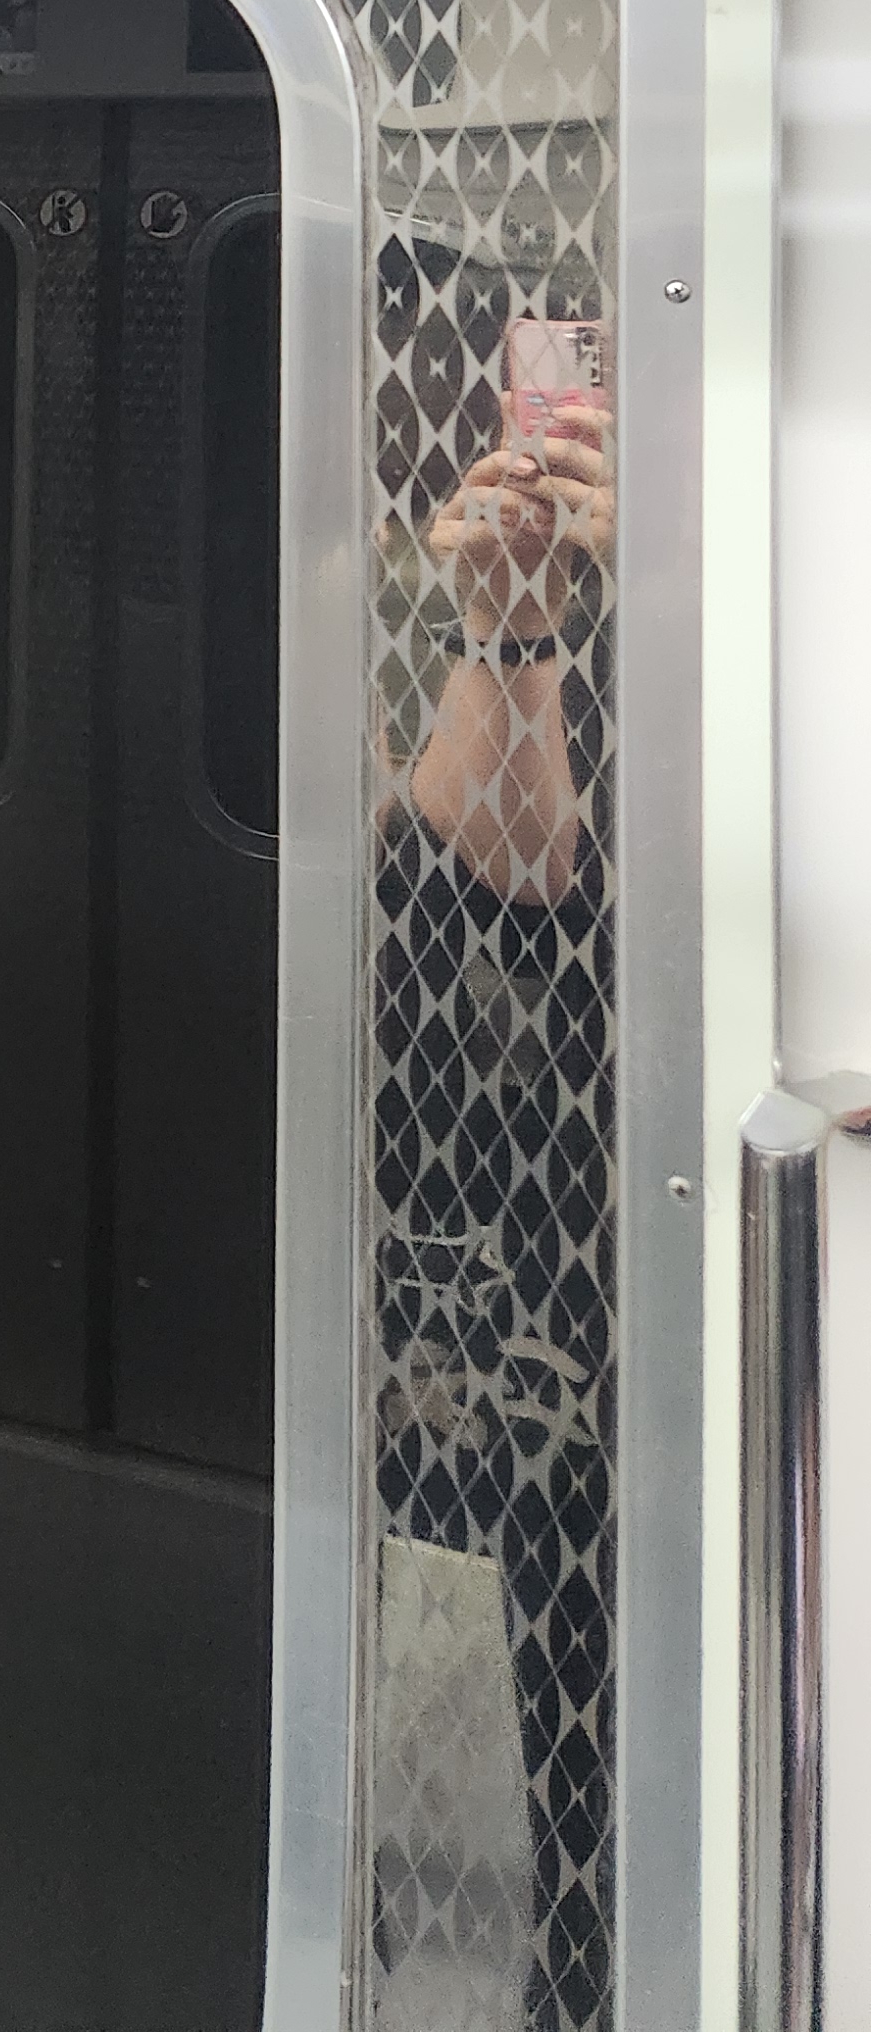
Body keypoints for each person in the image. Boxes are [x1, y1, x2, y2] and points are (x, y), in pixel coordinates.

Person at [381, 372, 616, 2032]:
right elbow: (506, 868)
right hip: (598, 1253)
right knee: (575, 1690)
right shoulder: (650, 617)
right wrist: (520, 632)